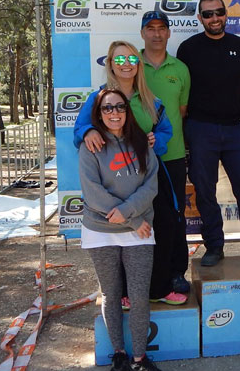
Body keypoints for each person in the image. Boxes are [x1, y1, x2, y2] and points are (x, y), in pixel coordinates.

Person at [74, 40, 185, 306]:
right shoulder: (98, 99)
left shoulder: (151, 100)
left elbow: (165, 131)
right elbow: (79, 129)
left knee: (165, 224)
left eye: (132, 59)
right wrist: (88, 132)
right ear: (110, 64)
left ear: (139, 65)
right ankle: (123, 293)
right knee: (120, 229)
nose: (126, 64)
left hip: (147, 175)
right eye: (120, 59)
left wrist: (156, 140)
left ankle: (159, 288)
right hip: (114, 177)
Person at [176, 0, 240, 267]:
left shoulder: (239, 45)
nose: (214, 18)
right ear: (200, 18)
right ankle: (214, 247)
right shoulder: (188, 48)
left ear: (225, 14)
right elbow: (180, 89)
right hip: (200, 129)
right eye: (207, 14)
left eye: (218, 12)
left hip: (234, 129)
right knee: (205, 191)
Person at [78, 87, 165, 371]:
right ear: (98, 113)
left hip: (138, 231)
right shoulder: (91, 146)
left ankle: (140, 358)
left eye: (119, 107)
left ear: (127, 111)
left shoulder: (142, 142)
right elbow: (93, 194)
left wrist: (130, 215)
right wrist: (134, 218)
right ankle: (119, 354)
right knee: (111, 294)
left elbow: (151, 185)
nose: (113, 113)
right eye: (107, 108)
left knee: (139, 296)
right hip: (102, 230)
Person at [140, 10, 191, 294]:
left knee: (174, 217)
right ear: (142, 33)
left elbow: (181, 111)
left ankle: (176, 273)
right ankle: (140, 277)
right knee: (138, 216)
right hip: (135, 159)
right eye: (151, 28)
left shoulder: (180, 69)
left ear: (169, 33)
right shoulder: (131, 64)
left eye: (162, 28)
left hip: (171, 156)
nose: (156, 33)